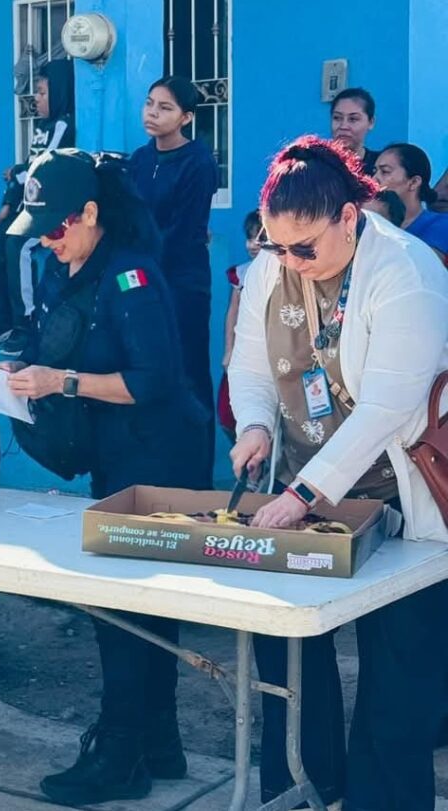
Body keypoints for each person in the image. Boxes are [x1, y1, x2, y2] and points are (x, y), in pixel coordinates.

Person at [228, 135, 448, 809]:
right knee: (293, 661)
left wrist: (299, 494)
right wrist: (255, 424)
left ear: (350, 217)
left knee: (396, 687)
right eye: (276, 246)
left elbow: (387, 406)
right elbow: (251, 361)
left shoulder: (406, 272)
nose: (289, 261)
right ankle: (301, 790)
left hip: (401, 499)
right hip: (304, 490)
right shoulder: (275, 261)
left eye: (304, 249)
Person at [0, 149, 209, 803]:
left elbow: (155, 379)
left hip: (159, 457)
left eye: (57, 228)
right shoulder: (74, 270)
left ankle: (120, 754)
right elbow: (54, 343)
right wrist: (21, 376)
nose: (49, 243)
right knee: (138, 604)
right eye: (40, 232)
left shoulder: (131, 274)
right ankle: (157, 743)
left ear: (90, 212)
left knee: (125, 607)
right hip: (118, 453)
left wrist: (63, 380)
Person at [129, 76, 219, 464]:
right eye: (150, 104)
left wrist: (142, 264)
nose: (153, 113)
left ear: (186, 117)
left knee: (189, 371)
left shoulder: (199, 162)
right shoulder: (140, 158)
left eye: (165, 108)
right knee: (146, 365)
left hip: (183, 282)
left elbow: (184, 229)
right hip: (142, 280)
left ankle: (196, 466)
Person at [0, 59, 77, 356]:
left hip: (53, 209)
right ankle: (1, 318)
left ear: (61, 92)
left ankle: (24, 321)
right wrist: (7, 205)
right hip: (28, 208)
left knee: (18, 245)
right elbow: (26, 170)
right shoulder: (43, 127)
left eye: (41, 93)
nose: (36, 99)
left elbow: (43, 169)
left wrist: (17, 172)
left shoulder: (65, 124)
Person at [218, 209, 263, 443]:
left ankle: (264, 470)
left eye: (261, 238)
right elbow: (232, 313)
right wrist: (229, 350)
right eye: (250, 237)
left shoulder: (288, 275)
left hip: (267, 357)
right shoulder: (242, 274)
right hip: (241, 354)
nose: (254, 244)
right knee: (227, 413)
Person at [374, 143, 448, 260]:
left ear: (414, 182)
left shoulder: (441, 224)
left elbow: (425, 267)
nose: (374, 179)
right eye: (375, 171)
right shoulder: (372, 222)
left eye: (385, 171)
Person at [330, 87, 379, 176]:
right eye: (337, 118)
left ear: (371, 122)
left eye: (353, 119)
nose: (343, 126)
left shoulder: (379, 166)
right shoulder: (317, 164)